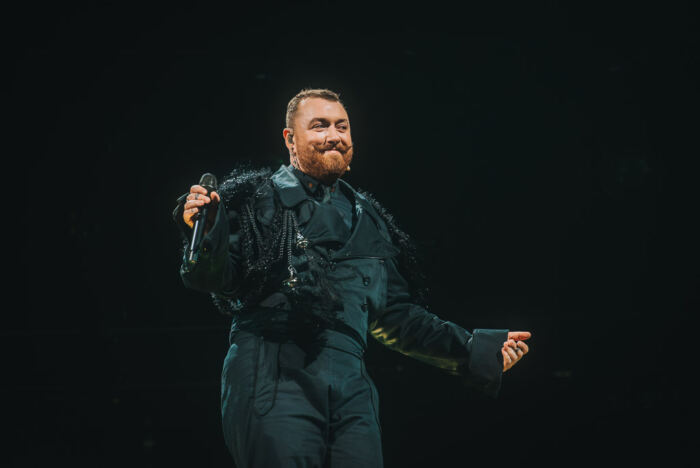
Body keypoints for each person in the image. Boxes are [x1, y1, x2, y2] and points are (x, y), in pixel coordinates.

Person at [173, 88, 531, 467]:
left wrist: (473, 347)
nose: (334, 135)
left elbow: (396, 315)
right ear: (290, 139)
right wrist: (207, 231)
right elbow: (215, 279)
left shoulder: (369, 219)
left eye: (341, 126)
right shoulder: (256, 200)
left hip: (351, 385)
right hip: (272, 370)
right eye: (319, 126)